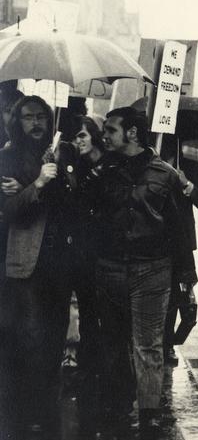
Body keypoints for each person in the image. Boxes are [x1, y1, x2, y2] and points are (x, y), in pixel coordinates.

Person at [91, 107, 186, 423]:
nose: (104, 135)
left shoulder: (166, 174)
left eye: (111, 129)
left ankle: (149, 415)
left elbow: (179, 230)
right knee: (114, 343)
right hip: (110, 268)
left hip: (152, 270)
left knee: (147, 346)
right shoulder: (104, 170)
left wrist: (187, 279)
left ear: (132, 133)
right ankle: (119, 408)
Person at [0, 96, 75, 409]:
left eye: (41, 117)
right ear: (18, 121)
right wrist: (39, 184)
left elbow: (74, 202)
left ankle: (46, 401)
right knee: (29, 331)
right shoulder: (9, 156)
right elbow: (10, 212)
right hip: (27, 257)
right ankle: (27, 405)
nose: (36, 123)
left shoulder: (63, 151)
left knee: (57, 330)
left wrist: (57, 173)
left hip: (61, 259)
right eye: (28, 117)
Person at [160, 135, 198, 366]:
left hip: (182, 242)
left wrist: (187, 184)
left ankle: (167, 343)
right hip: (154, 237)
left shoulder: (190, 166)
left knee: (175, 295)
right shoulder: (151, 162)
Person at [66, 115, 106, 378]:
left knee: (99, 305)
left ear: (93, 135)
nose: (78, 141)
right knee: (85, 303)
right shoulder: (75, 167)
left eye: (82, 135)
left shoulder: (110, 165)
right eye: (74, 137)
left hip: (104, 248)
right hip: (81, 246)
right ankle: (85, 358)